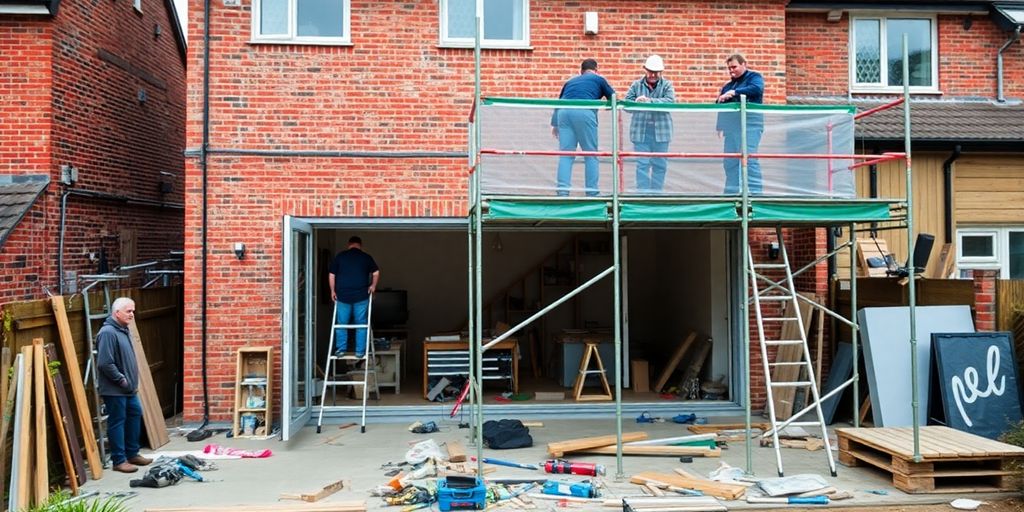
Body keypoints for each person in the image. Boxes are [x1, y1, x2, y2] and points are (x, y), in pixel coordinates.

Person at [97, 297, 152, 473]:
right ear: (117, 313)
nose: (132, 314)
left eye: (133, 311)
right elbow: (105, 363)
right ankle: (119, 460)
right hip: (115, 389)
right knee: (117, 421)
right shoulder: (108, 332)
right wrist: (121, 380)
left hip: (128, 389)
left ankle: (132, 453)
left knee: (135, 414)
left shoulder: (123, 330)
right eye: (128, 311)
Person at [551, 58, 615, 196]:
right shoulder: (599, 79)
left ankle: (562, 193)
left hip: (564, 113)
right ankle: (592, 193)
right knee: (591, 154)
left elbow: (559, 101)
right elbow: (613, 97)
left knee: (566, 155)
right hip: (584, 112)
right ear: (596, 70)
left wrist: (555, 124)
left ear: (581, 71)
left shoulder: (570, 81)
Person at [715, 53, 765, 195]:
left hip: (750, 125)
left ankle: (756, 196)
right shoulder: (728, 85)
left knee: (748, 159)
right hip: (731, 129)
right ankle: (731, 195)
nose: (731, 71)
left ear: (744, 64)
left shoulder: (754, 77)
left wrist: (734, 93)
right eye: (729, 68)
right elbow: (721, 103)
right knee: (730, 162)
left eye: (734, 67)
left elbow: (756, 89)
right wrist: (719, 125)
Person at [625, 55, 676, 193]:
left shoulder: (667, 85)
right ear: (645, 70)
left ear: (661, 72)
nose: (653, 75)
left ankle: (656, 195)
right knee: (642, 164)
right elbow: (626, 105)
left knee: (660, 164)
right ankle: (643, 195)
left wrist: (649, 101)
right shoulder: (636, 85)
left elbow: (670, 102)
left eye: (656, 72)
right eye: (650, 71)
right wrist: (636, 102)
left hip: (661, 132)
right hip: (640, 131)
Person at [328, 236, 380, 358]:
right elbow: (376, 272)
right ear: (360, 245)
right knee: (361, 324)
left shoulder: (340, 256)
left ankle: (340, 350)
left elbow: (332, 275)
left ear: (349, 244)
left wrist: (332, 291)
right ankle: (360, 352)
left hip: (342, 296)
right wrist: (373, 286)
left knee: (341, 324)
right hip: (361, 295)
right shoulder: (366, 257)